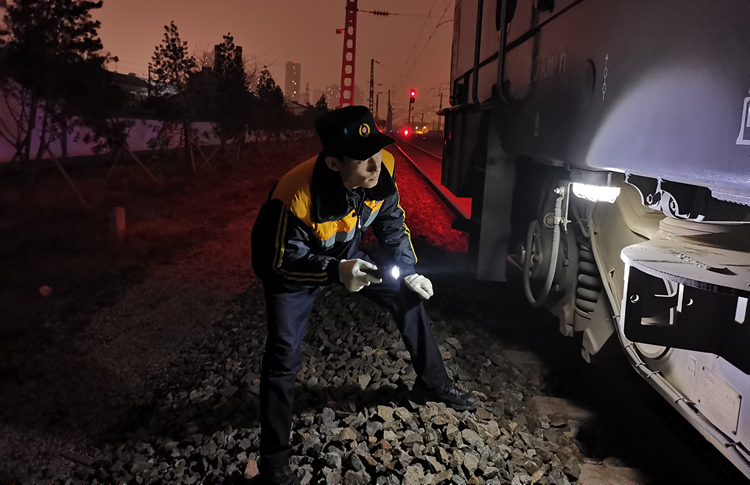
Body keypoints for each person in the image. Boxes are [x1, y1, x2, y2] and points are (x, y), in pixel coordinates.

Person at [250, 106, 479, 485]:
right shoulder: (293, 197)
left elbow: (391, 222)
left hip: (348, 255)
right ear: (333, 163)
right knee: (282, 355)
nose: (376, 165)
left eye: (377, 150)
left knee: (406, 295)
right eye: (363, 158)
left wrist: (408, 270)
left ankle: (432, 382)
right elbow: (273, 263)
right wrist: (335, 271)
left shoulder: (381, 167)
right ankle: (274, 463)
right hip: (296, 270)